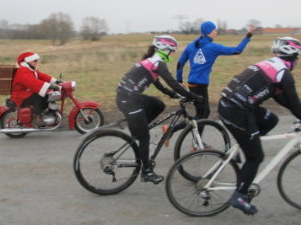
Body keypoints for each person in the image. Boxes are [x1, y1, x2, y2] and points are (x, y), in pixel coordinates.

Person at [218, 37, 301, 215]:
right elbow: (294, 102)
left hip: (233, 105)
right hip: (237, 111)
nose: (298, 61)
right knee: (256, 157)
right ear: (293, 56)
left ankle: (245, 143)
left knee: (271, 119)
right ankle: (239, 196)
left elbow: (282, 98)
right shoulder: (283, 73)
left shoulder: (272, 65)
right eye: (298, 57)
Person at [116, 35, 203, 184]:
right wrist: (192, 96)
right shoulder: (157, 63)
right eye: (172, 51)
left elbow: (158, 83)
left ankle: (139, 126)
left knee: (158, 105)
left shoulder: (152, 61)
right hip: (128, 100)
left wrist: (172, 94)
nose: (173, 54)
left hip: (128, 97)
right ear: (164, 49)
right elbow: (172, 82)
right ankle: (146, 172)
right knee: (144, 138)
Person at [176, 21, 255, 121]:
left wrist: (179, 80)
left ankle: (192, 135)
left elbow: (180, 63)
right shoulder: (213, 47)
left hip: (192, 84)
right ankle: (177, 131)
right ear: (209, 32)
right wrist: (248, 35)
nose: (216, 31)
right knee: (202, 116)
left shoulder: (192, 45)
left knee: (203, 114)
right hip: (200, 85)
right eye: (215, 29)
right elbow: (237, 50)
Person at [11, 52, 62, 126]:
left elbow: (42, 76)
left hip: (26, 92)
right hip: (20, 95)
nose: (36, 62)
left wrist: (55, 81)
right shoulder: (22, 71)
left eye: (37, 60)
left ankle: (45, 113)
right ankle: (36, 117)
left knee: (48, 95)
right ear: (28, 61)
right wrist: (49, 86)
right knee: (39, 96)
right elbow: (32, 82)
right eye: (34, 60)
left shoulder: (30, 69)